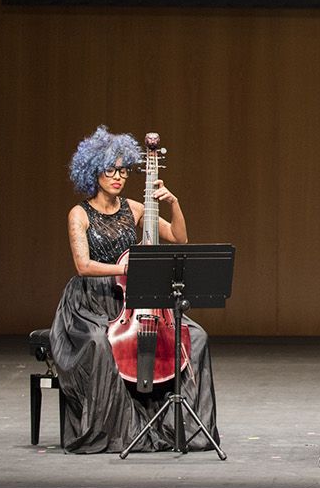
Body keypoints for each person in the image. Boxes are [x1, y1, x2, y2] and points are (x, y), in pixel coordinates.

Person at [48, 126, 217, 453]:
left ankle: (185, 430)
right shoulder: (79, 215)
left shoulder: (135, 208)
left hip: (134, 297)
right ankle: (112, 432)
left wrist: (174, 203)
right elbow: (83, 265)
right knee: (100, 344)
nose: (118, 177)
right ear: (93, 172)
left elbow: (179, 239)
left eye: (123, 170)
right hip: (91, 302)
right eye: (110, 170)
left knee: (195, 338)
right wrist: (125, 268)